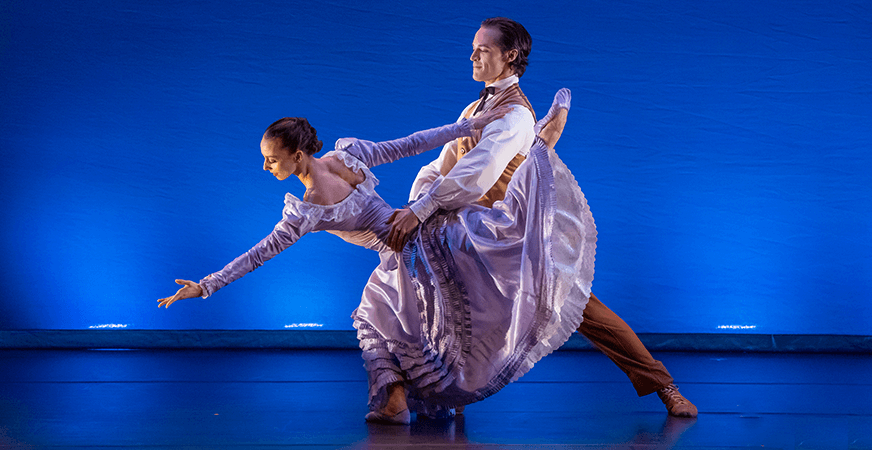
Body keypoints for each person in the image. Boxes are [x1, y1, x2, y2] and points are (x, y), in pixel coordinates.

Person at [157, 96, 597, 425]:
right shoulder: (348, 156)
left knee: (374, 318)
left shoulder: (307, 207)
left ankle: (397, 404)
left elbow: (259, 254)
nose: (267, 167)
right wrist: (474, 123)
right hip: (428, 230)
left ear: (296, 155)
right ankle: (541, 145)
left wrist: (207, 285)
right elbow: (413, 143)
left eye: (271, 159)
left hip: (408, 250)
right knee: (461, 298)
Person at [386, 17, 698, 418]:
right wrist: (417, 205)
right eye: (474, 48)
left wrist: (422, 209)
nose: (472, 56)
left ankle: (665, 387)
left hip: (513, 235)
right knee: (444, 308)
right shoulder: (476, 107)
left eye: (482, 50)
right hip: (474, 235)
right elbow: (445, 163)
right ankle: (445, 397)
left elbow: (475, 173)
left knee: (585, 311)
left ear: (510, 56)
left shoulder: (513, 115)